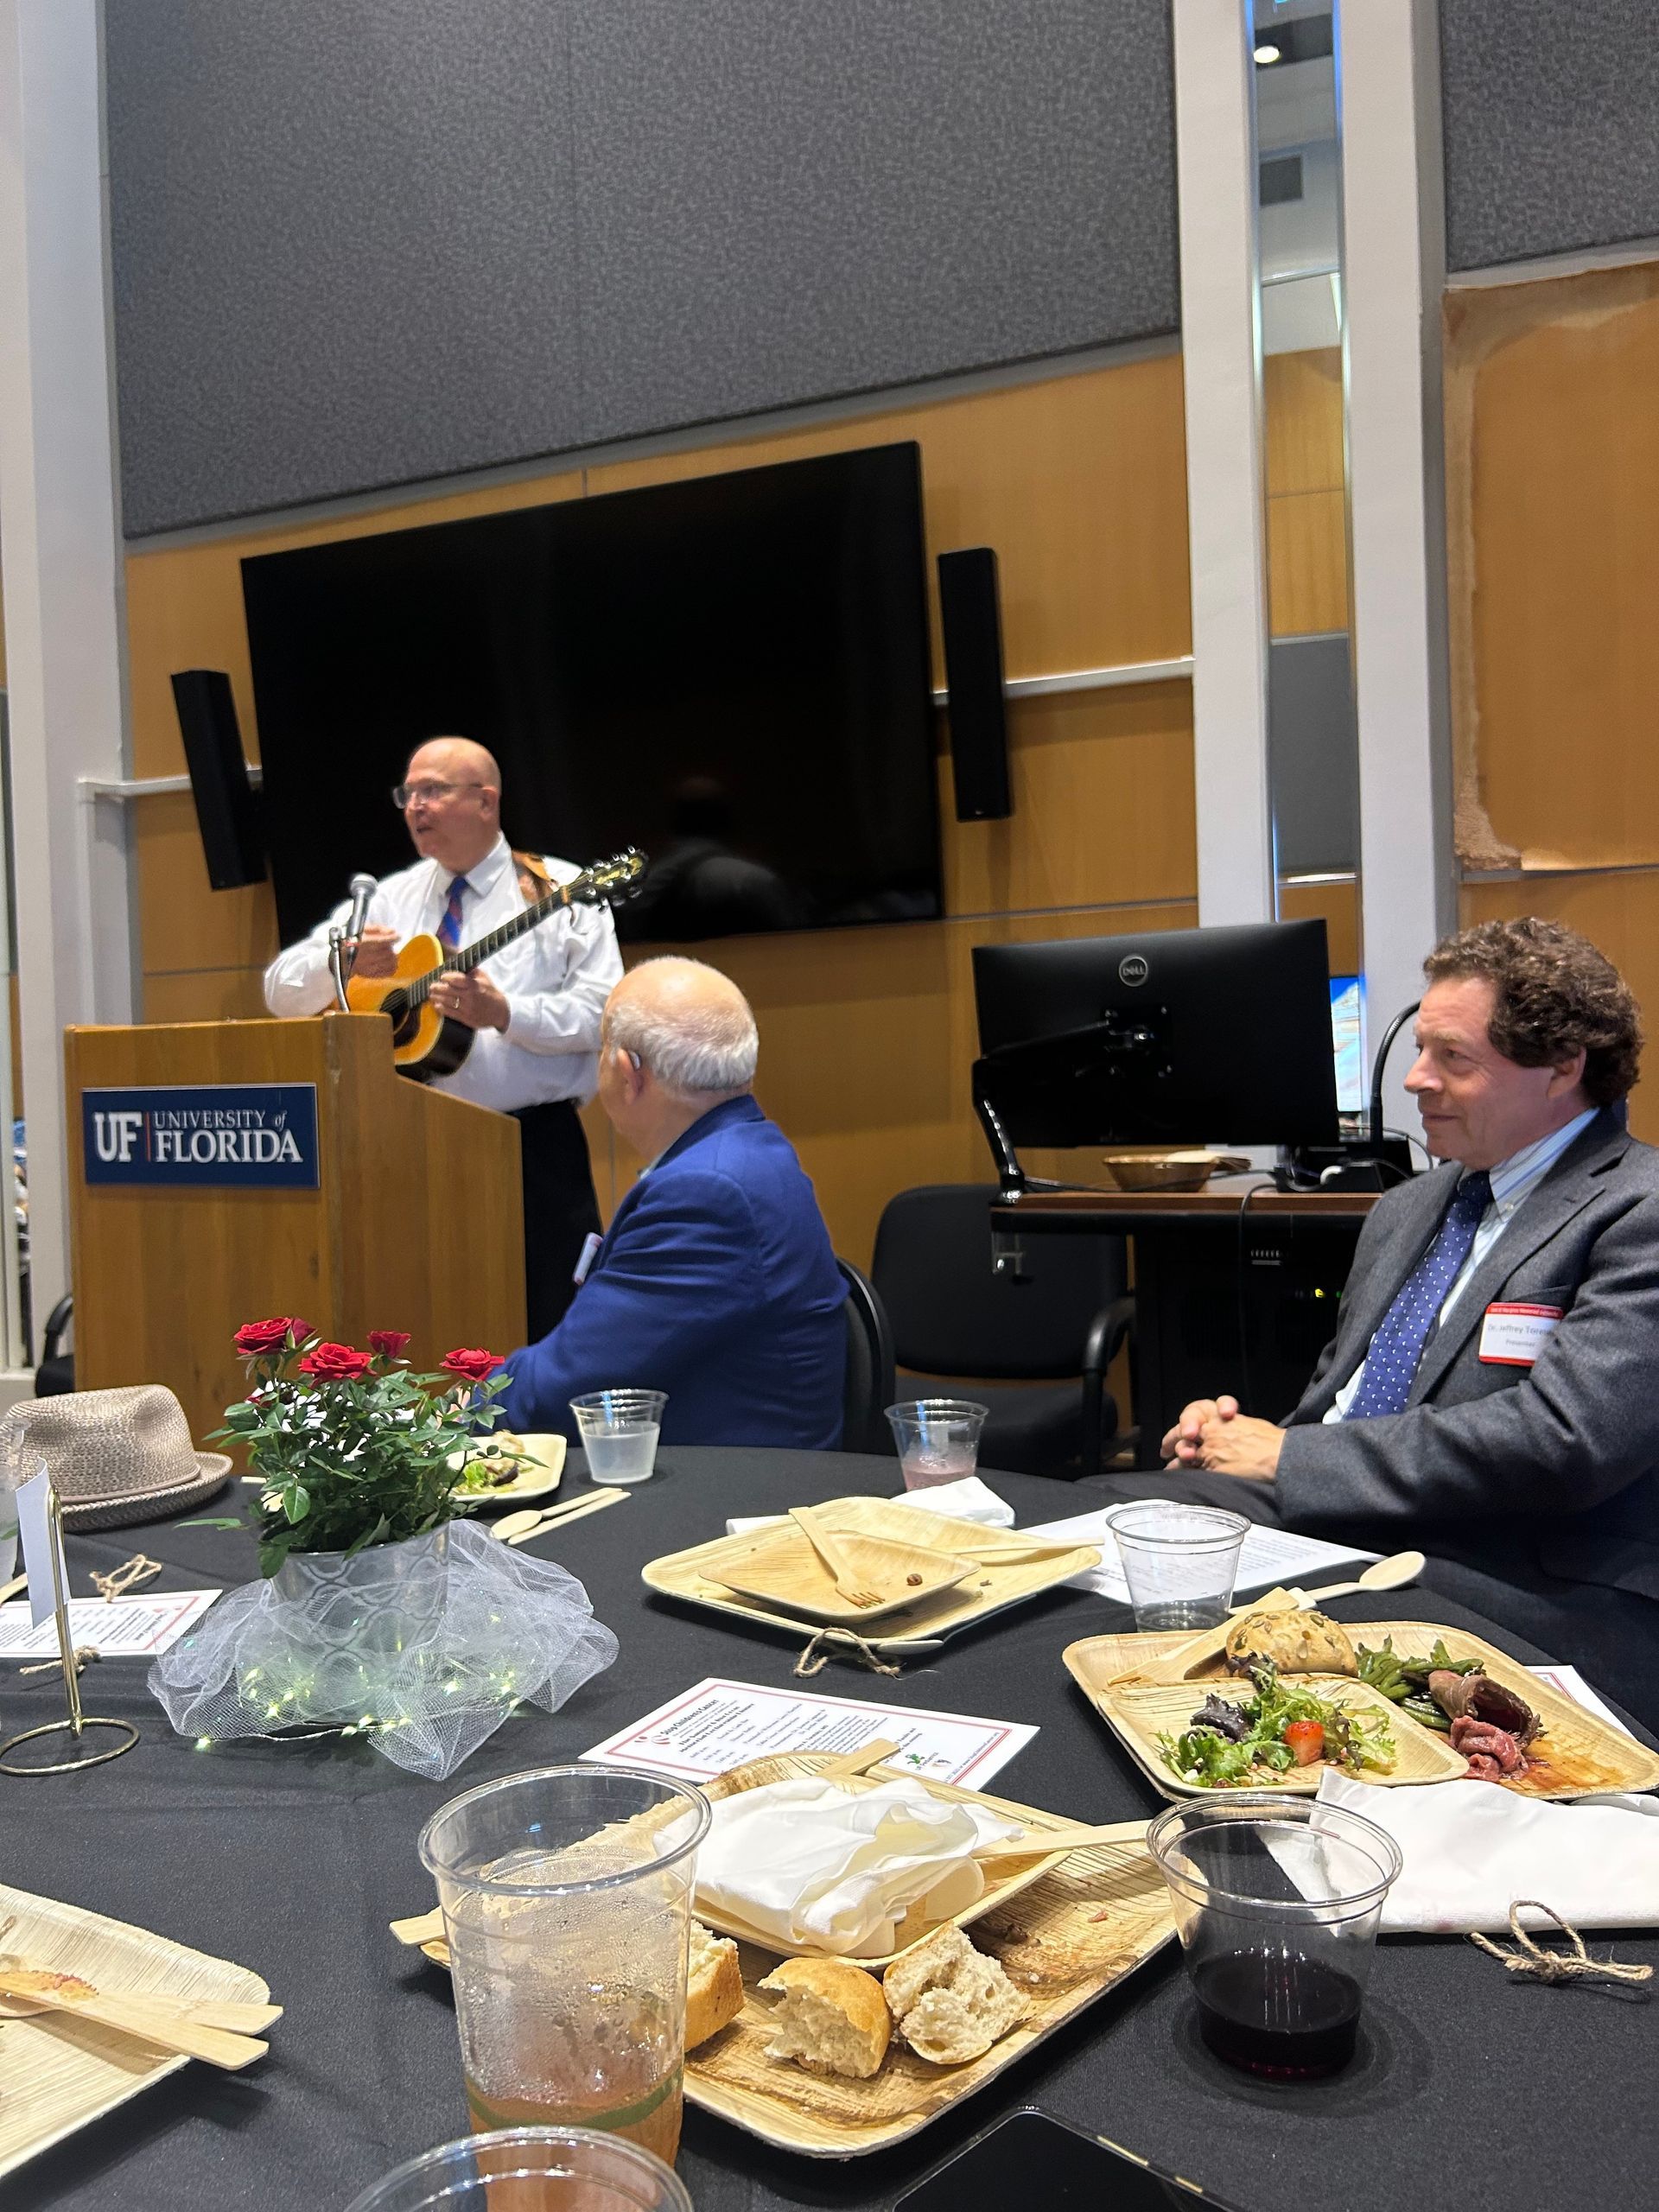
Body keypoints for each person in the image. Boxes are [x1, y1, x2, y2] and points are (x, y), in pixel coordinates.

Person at [1128, 918, 1659, 1725]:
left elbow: (1563, 1443)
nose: (1414, 1080)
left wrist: (1290, 1457)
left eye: (1454, 1058)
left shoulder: (1639, 1208)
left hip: (1520, 1572)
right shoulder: (1406, 1208)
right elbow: (1339, 1409)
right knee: (1106, 1523)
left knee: (1182, 1634)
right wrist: (1236, 1441)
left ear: (1562, 1067)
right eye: (1419, 1050)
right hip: (1347, 1527)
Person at [263, 736, 621, 1334]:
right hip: (409, 1149)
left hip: (531, 1150)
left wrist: (506, 1012)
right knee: (428, 1326)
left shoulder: (559, 889)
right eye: (408, 794)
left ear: (486, 801)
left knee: (550, 1323)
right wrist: (340, 964)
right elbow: (279, 992)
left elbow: (604, 1014)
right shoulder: (390, 897)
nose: (415, 807)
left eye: (433, 790)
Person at [493, 956, 847, 1448]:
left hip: (737, 1483)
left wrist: (466, 1407)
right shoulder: (749, 1148)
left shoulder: (704, 1195)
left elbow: (567, 1386)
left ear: (627, 1072)